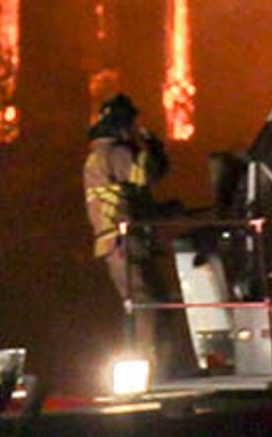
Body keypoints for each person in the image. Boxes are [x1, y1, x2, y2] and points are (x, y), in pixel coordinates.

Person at [81, 92, 174, 370]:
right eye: (132, 124)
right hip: (125, 243)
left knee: (156, 303)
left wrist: (162, 210)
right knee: (147, 304)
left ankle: (161, 364)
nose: (135, 129)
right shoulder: (114, 153)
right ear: (122, 125)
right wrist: (154, 147)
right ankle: (152, 366)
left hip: (123, 242)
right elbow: (147, 173)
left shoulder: (101, 155)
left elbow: (129, 199)